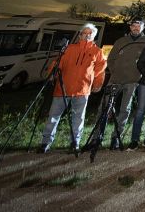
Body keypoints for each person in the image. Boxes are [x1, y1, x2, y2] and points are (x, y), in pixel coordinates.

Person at [40, 23, 106, 153]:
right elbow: (57, 63)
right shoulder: (69, 48)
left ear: (94, 36)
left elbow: (100, 70)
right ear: (80, 35)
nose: (87, 35)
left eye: (90, 33)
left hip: (82, 90)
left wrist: (98, 84)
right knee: (53, 116)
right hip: (62, 89)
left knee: (78, 118)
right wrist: (51, 74)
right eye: (84, 33)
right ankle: (45, 143)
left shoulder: (97, 52)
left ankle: (75, 143)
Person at [105, 19, 145, 149]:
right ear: (130, 27)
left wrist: (140, 75)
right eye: (133, 25)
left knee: (124, 110)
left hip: (133, 81)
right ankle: (97, 137)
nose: (136, 28)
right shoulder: (121, 41)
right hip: (115, 80)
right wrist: (114, 72)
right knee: (105, 108)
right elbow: (111, 59)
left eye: (138, 26)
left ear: (143, 27)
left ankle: (116, 137)